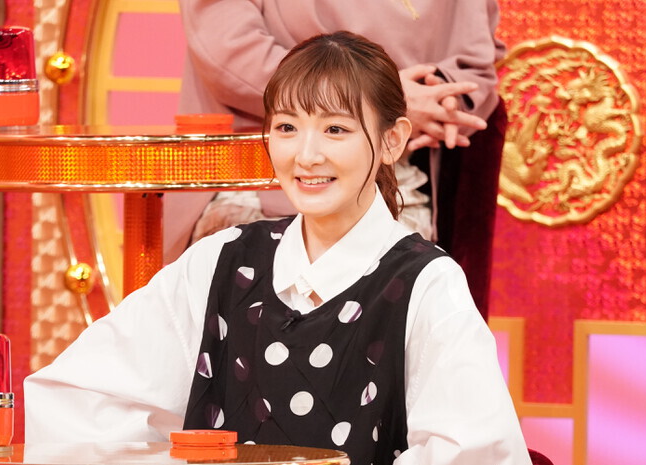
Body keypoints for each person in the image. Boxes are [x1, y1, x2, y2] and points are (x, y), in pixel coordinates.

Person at [24, 32, 529, 464]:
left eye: (335, 129)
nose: (305, 156)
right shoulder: (222, 260)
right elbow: (78, 398)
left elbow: (474, 451)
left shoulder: (427, 284)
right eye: (287, 127)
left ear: (392, 140)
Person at [165, 0, 508, 320]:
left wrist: (440, 100)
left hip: (398, 184)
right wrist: (381, 100)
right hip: (256, 181)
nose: (311, 155)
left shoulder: (427, 269)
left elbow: (474, 63)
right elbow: (229, 49)